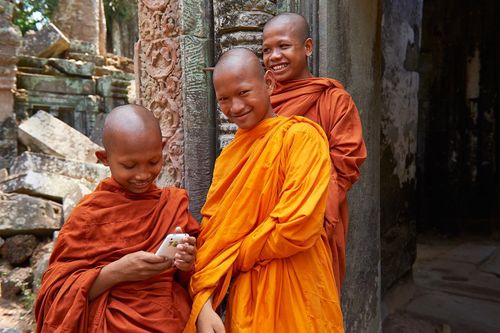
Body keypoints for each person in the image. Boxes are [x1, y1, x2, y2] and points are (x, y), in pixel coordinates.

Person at [184, 48, 343, 333]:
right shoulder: (230, 157)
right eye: (224, 99)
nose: (235, 107)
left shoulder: (302, 138)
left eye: (244, 93)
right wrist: (204, 303)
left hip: (300, 286)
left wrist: (237, 253)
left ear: (268, 84)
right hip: (248, 294)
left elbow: (298, 226)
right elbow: (214, 234)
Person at [35, 104, 199, 332]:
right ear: (104, 158)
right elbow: (55, 293)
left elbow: (193, 279)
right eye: (129, 166)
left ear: (163, 149)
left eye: (153, 162)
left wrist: (187, 263)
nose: (143, 174)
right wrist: (115, 272)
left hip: (169, 320)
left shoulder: (172, 204)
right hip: (108, 323)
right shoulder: (89, 214)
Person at [262, 12, 367, 293]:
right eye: (266, 50)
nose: (274, 57)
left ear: (307, 47)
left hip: (317, 220)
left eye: (283, 46)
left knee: (312, 302)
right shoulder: (260, 101)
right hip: (264, 222)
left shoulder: (334, 100)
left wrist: (305, 213)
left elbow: (346, 163)